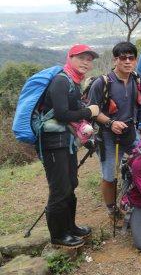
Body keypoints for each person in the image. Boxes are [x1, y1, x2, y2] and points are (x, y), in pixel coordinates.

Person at [38, 44, 100, 248]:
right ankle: (58, 235)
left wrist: (86, 136)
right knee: (60, 188)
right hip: (52, 144)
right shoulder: (61, 81)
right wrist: (89, 112)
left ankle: (70, 227)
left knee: (71, 184)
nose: (86, 62)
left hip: (66, 142)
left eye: (89, 59)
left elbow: (73, 118)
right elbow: (62, 114)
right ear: (70, 58)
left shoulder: (74, 82)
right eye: (81, 57)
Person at [87, 41, 141, 223]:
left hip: (131, 131)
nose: (127, 61)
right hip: (108, 135)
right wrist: (111, 123)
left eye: (131, 58)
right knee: (109, 174)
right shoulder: (102, 83)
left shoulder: (137, 80)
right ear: (115, 60)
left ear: (136, 60)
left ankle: (132, 199)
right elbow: (92, 109)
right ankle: (111, 208)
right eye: (123, 58)